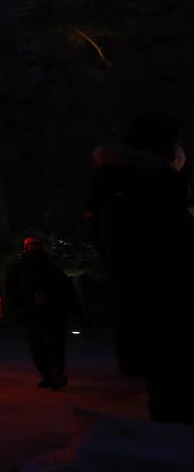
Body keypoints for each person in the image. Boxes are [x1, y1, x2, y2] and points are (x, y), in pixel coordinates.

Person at [87, 113, 194, 423]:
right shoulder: (143, 194)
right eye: (178, 143)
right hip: (169, 326)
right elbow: (163, 260)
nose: (181, 151)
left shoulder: (131, 192)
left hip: (159, 327)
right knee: (178, 421)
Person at [3, 238, 81, 390]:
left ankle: (51, 375)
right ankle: (52, 374)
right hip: (45, 314)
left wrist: (16, 311)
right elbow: (68, 292)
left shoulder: (20, 270)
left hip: (39, 315)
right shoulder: (50, 270)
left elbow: (11, 293)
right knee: (50, 346)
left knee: (43, 346)